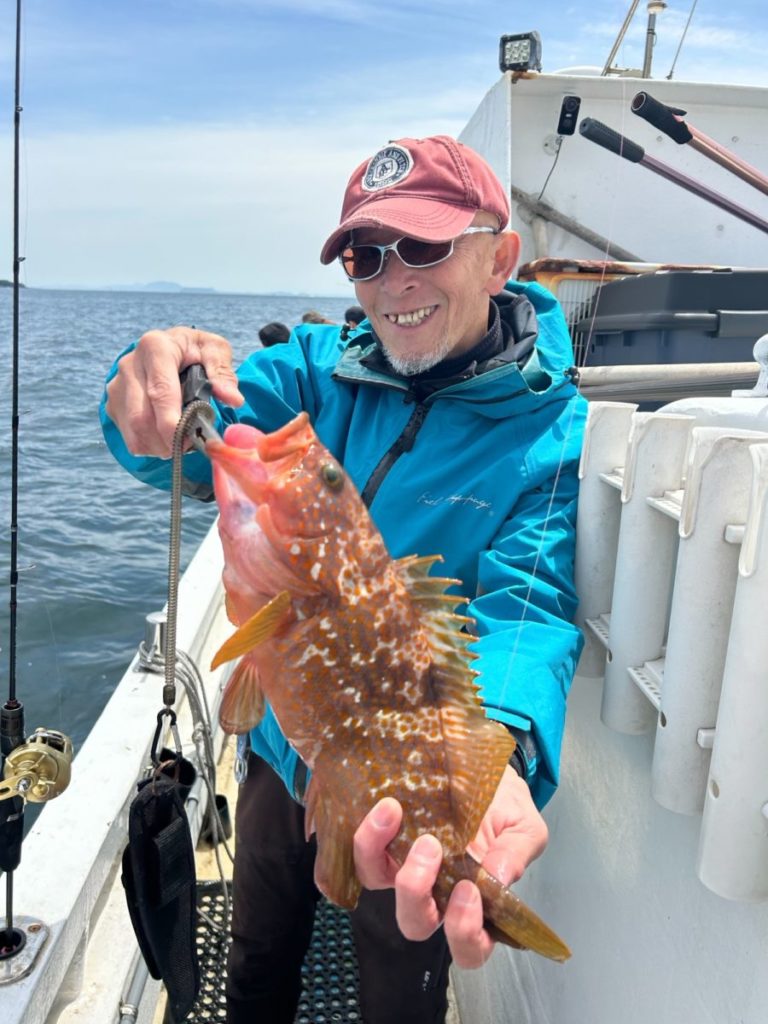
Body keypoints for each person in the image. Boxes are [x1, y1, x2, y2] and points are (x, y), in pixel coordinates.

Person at [100, 134, 586, 1024]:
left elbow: (531, 608)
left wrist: (501, 754)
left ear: (500, 259)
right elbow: (189, 439)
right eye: (367, 256)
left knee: (400, 980)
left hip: (406, 774)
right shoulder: (315, 371)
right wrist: (152, 385)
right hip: (280, 753)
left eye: (425, 246)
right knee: (256, 952)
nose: (394, 280)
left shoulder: (547, 430)